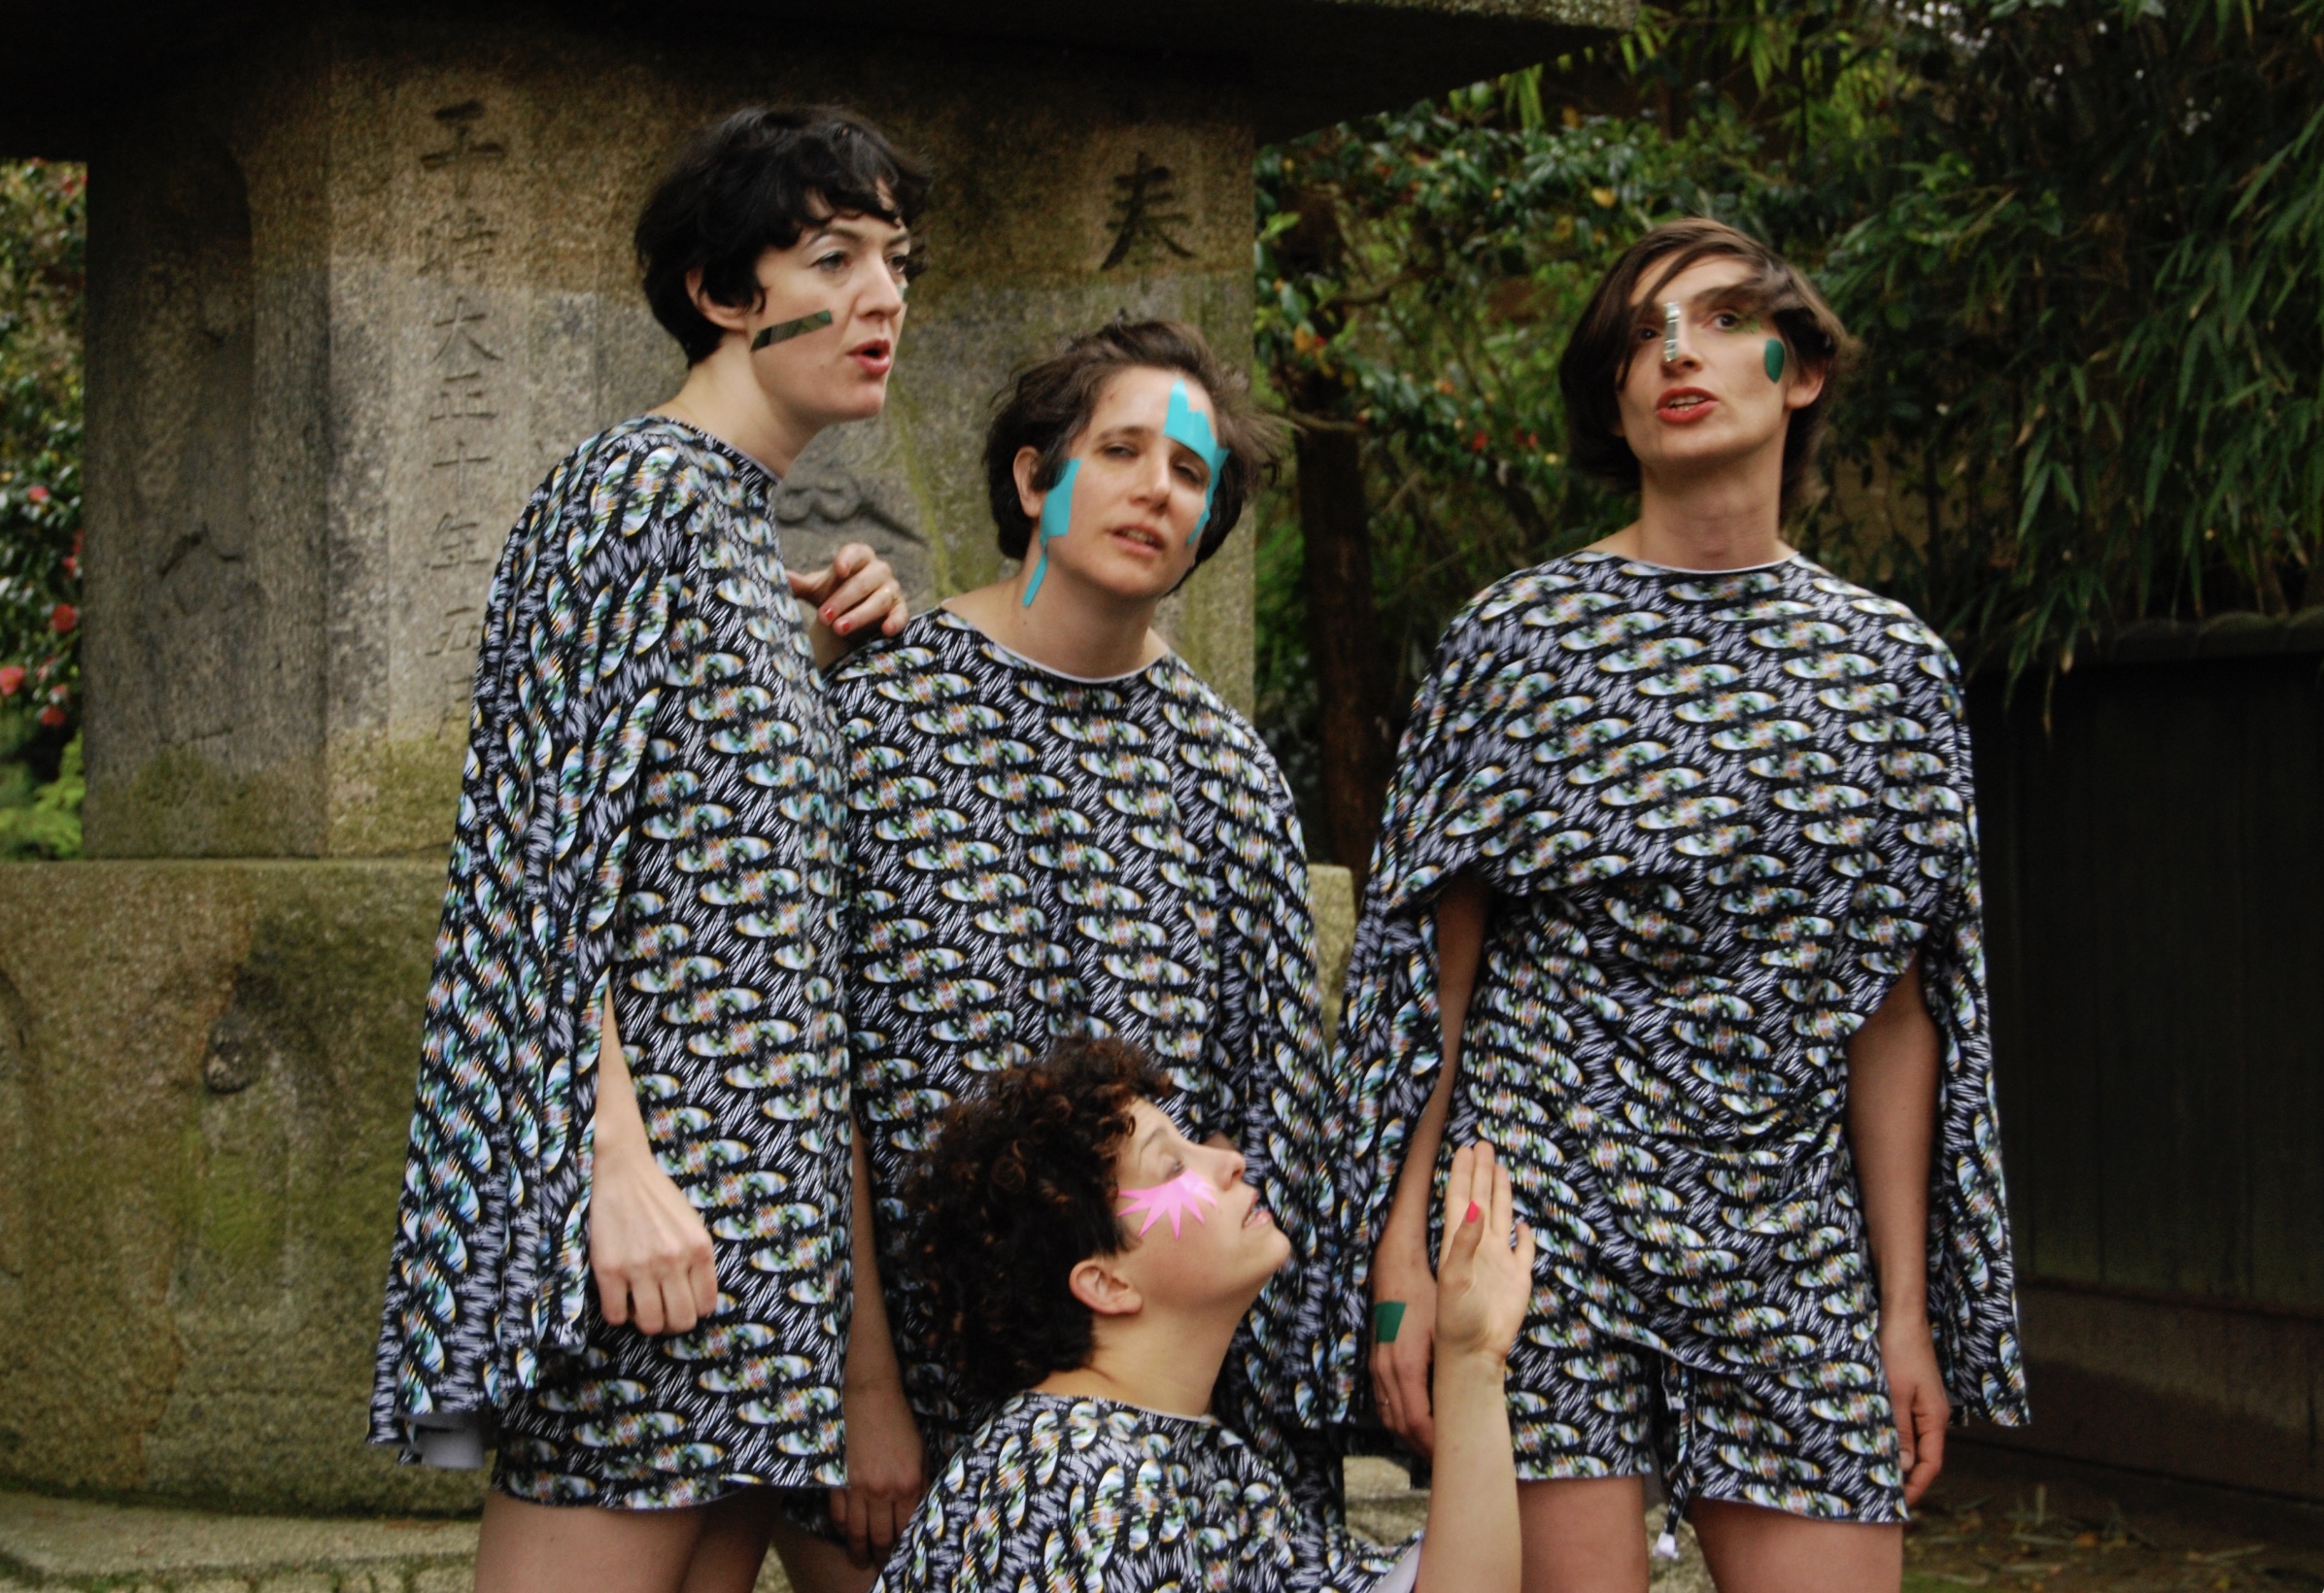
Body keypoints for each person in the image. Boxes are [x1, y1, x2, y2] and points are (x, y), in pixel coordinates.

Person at [1327, 218, 2030, 1593]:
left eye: (1718, 320)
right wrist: (1397, 1250)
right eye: (1640, 337)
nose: (1676, 354)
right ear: (1612, 403)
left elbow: (1895, 1007)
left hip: (1785, 1228)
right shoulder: (1517, 640)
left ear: (1800, 369)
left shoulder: (1891, 669)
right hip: (1536, 1225)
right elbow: (1428, 977)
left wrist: (1899, 1312)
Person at [366, 105, 928, 1593]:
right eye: (834, 259)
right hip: (652, 1228)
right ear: (722, 292)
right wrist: (606, 1165)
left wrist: (807, 664)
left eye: (897, 261)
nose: (881, 297)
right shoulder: (630, 494)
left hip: (758, 1244)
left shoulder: (739, 529)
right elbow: (531, 870)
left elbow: (708, 849)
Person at [775, 321, 1341, 1585]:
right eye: (1121, 450)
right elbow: (807, 1082)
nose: (1155, 489)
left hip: (1143, 1431)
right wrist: (856, 1387)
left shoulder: (1227, 777)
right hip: (893, 1397)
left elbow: (1261, 1119)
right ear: (1034, 478)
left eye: (1189, 473)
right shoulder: (876, 715)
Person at [878, 1037, 1535, 1593]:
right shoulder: (1085, 1477)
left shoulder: (1200, 1460)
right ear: (1107, 1283)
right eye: (1172, 1166)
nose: (1229, 1161)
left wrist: (1473, 1360)